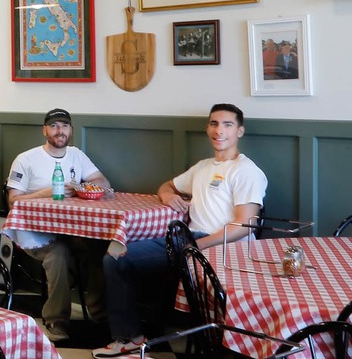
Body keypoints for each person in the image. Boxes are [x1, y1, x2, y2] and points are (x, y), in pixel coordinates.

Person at [93, 103, 267, 358]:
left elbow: (244, 225)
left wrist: (197, 246)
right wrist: (167, 196)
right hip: (187, 241)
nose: (219, 130)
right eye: (214, 124)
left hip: (223, 247)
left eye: (227, 125)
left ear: (239, 131)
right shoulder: (203, 167)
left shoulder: (246, 170)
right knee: (117, 255)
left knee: (119, 260)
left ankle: (132, 336)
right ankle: (133, 337)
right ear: (207, 128)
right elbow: (167, 186)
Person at [5, 108, 114, 343]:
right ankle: (56, 320)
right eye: (54, 126)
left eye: (64, 126)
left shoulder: (76, 155)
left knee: (101, 248)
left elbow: (102, 180)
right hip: (34, 231)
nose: (60, 131)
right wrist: (47, 192)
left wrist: (84, 188)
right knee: (59, 254)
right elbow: (13, 200)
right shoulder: (26, 159)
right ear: (44, 130)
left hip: (71, 229)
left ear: (71, 130)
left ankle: (99, 312)